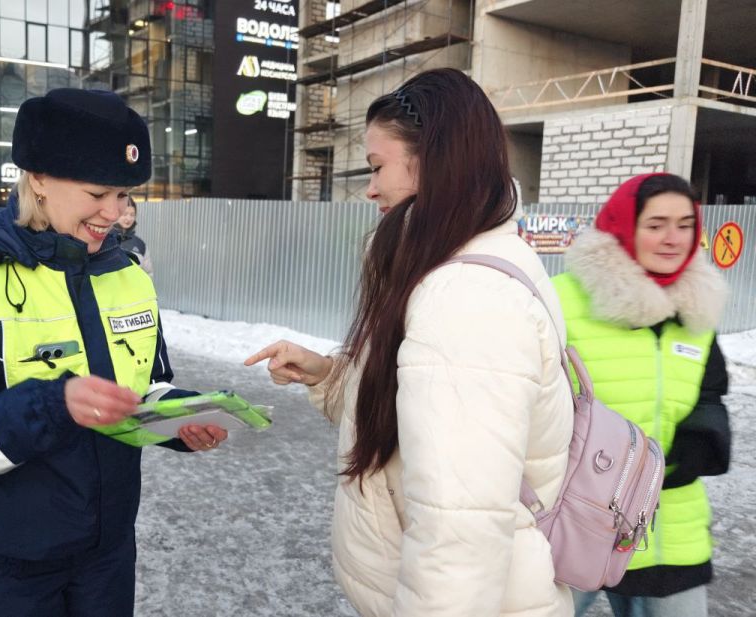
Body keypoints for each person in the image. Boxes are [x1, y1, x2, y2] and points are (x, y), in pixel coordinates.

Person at [245, 68, 575, 616]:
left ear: (435, 162)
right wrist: (330, 374)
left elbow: (458, 527)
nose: (370, 187)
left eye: (378, 167)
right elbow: (412, 415)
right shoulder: (452, 271)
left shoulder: (468, 298)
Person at [0, 88, 229, 616]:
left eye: (123, 197)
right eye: (99, 193)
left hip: (106, 555)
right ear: (39, 180)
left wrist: (178, 418)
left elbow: (145, 385)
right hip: (2, 569)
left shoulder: (127, 274)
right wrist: (50, 407)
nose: (115, 215)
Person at [559, 173, 730, 617]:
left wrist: (703, 436)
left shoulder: (698, 307)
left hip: (671, 524)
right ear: (623, 225)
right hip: (578, 520)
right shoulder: (564, 300)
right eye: (655, 224)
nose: (672, 238)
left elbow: (710, 390)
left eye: (684, 224)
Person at [115, 197, 153, 274]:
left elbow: (148, 273)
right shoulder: (104, 241)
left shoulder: (140, 245)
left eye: (132, 215)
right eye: (125, 214)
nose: (128, 218)